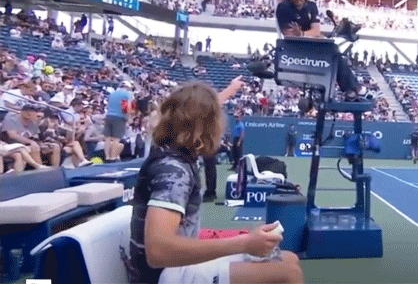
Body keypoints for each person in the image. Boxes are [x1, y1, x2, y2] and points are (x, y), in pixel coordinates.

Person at [127, 82, 303, 284]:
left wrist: (245, 238)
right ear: (205, 126)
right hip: (163, 275)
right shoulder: (174, 171)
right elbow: (158, 251)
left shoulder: (174, 156)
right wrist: (244, 243)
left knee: (289, 259)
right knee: (289, 274)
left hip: (173, 269)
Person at [275, 0, 365, 100]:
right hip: (295, 51)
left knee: (333, 50)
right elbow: (290, 35)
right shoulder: (284, 8)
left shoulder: (311, 6)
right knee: (333, 50)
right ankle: (353, 88)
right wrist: (308, 34)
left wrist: (302, 33)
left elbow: (316, 31)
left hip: (312, 47)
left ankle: (351, 89)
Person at [203, 76, 245, 202]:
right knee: (207, 166)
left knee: (209, 166)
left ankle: (210, 192)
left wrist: (232, 88)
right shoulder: (212, 111)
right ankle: (210, 192)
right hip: (206, 139)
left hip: (207, 140)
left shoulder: (211, 110)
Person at [104, 81, 134, 162]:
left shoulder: (112, 93)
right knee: (116, 138)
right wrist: (129, 118)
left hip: (109, 115)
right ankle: (113, 157)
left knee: (108, 138)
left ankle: (107, 157)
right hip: (120, 117)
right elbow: (128, 107)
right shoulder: (128, 94)